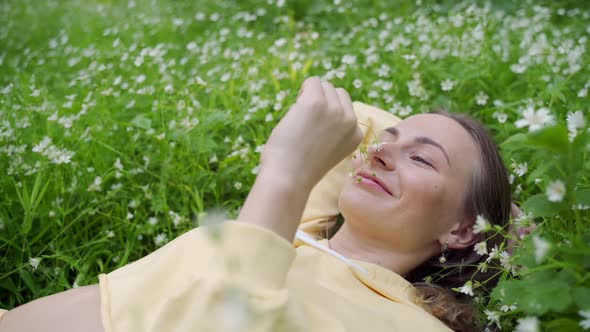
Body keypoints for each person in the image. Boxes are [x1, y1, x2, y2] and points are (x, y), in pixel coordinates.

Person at [0, 77, 515, 332]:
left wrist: (286, 173)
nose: (378, 152)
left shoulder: (410, 324)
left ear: (461, 230)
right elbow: (354, 115)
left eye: (423, 161)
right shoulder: (300, 230)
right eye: (386, 142)